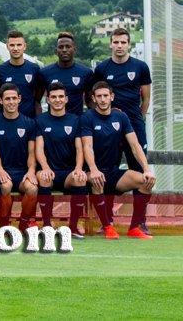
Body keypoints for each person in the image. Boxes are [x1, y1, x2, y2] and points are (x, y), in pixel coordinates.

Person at [80, 80, 156, 239]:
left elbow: (135, 145)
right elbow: (87, 146)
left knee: (145, 181)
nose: (102, 99)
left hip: (113, 172)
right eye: (99, 96)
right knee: (97, 180)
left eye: (105, 96)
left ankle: (134, 228)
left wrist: (147, 169)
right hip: (91, 172)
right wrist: (93, 169)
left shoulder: (121, 116)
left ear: (112, 97)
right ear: (93, 98)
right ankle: (107, 227)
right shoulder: (87, 118)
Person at [93, 28, 152, 173]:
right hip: (109, 125)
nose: (119, 46)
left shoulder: (141, 67)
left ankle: (140, 196)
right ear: (110, 44)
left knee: (139, 169)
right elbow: (95, 96)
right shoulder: (101, 69)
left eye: (123, 42)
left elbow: (146, 98)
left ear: (129, 45)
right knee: (107, 169)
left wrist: (139, 117)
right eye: (116, 42)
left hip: (134, 123)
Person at [34, 82, 89, 236]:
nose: (57, 100)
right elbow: (39, 148)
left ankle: (72, 226)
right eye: (53, 97)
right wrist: (45, 167)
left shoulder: (75, 120)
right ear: (48, 100)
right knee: (44, 178)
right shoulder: (40, 120)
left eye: (60, 96)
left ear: (66, 99)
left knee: (80, 179)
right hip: (49, 170)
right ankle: (47, 225)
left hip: (68, 173)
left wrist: (78, 168)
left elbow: (80, 148)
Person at [0, 83, 39, 229]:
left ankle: (24, 224)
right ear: (0, 101)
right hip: (4, 171)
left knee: (33, 189)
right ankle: (5, 224)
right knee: (5, 187)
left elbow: (32, 153)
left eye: (13, 98)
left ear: (19, 99)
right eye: (7, 99)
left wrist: (31, 171)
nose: (11, 102)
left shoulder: (29, 123)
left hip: (23, 172)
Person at [39, 32, 93, 116]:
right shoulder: (45, 73)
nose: (64, 50)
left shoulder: (86, 72)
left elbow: (90, 101)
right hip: (53, 124)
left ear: (74, 49)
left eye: (68, 47)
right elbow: (36, 100)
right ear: (56, 50)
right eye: (61, 47)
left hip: (77, 123)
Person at [0, 30, 43, 118]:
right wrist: (3, 115)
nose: (15, 48)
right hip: (7, 122)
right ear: (7, 46)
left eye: (19, 45)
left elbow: (37, 97)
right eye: (12, 45)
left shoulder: (34, 69)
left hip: (29, 120)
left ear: (24, 46)